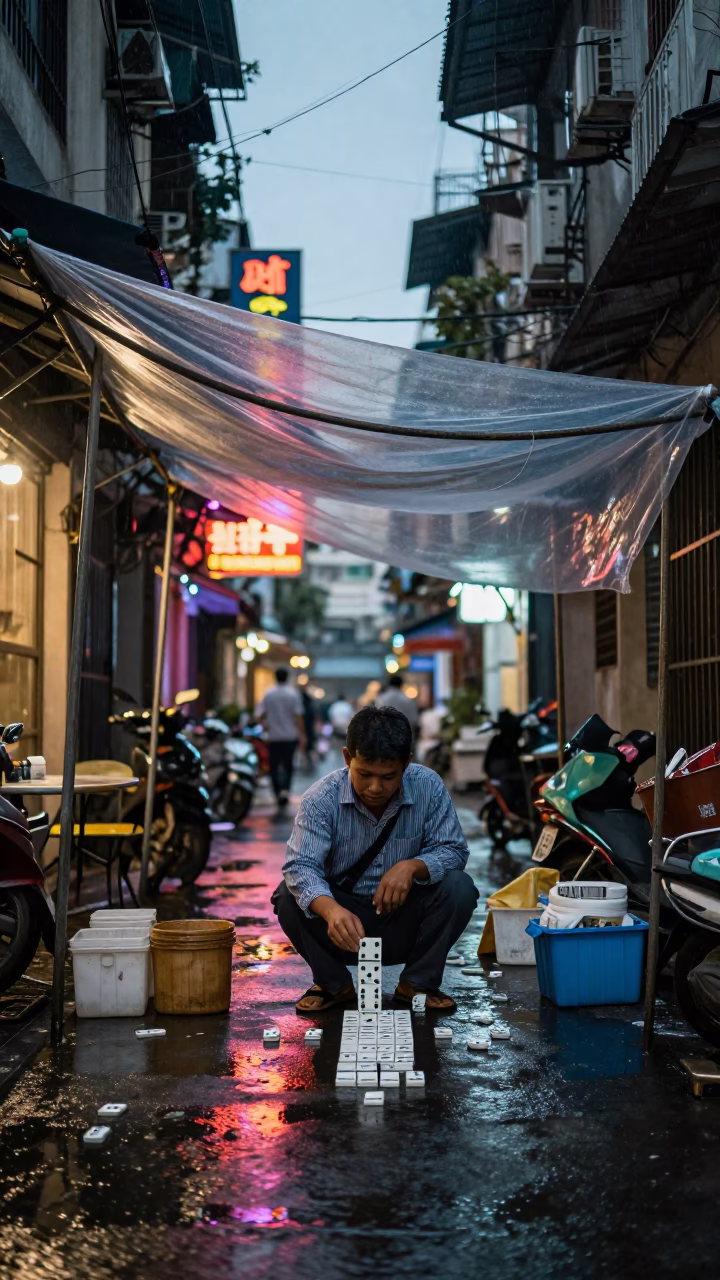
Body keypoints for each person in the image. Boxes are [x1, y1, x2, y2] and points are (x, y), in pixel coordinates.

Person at [274, 705, 477, 1013]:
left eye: (388, 777)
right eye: (364, 774)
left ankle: (417, 983)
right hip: (342, 928)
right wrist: (329, 910)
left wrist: (412, 867)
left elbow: (454, 850)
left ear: (407, 764)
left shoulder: (429, 787)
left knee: (459, 887)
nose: (375, 788)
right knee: (287, 896)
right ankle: (333, 984)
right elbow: (300, 866)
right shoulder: (320, 799)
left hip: (404, 920)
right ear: (347, 758)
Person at [257, 668, 306, 811]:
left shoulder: (269, 694)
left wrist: (264, 727)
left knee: (274, 765)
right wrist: (302, 734)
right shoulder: (293, 694)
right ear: (287, 677)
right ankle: (286, 790)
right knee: (288, 764)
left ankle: (277, 791)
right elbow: (298, 716)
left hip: (273, 737)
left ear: (275, 677)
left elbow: (261, 715)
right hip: (290, 736)